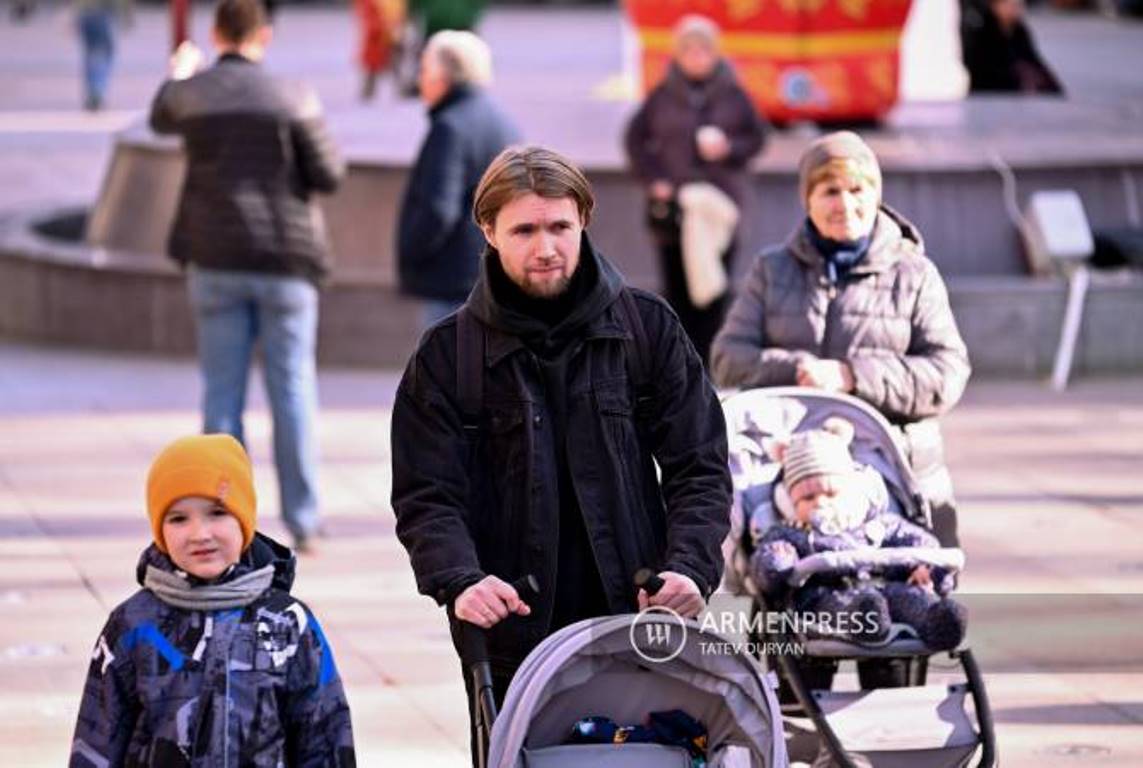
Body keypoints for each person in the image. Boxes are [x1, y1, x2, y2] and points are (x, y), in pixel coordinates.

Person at [390, 146, 732, 764]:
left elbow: (699, 465)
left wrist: (691, 566)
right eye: (524, 230)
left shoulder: (646, 328)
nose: (545, 247)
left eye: (559, 228)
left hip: (638, 620)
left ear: (584, 223)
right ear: (489, 231)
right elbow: (427, 496)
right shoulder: (447, 357)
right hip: (511, 636)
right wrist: (459, 581)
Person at [710, 131, 971, 549]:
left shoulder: (914, 274)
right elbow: (728, 358)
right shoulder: (772, 270)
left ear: (875, 194)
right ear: (807, 199)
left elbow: (947, 372)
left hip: (894, 472)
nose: (845, 204)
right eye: (830, 191)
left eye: (857, 189)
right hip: (796, 478)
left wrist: (852, 376)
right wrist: (796, 370)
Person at [149, 0, 345, 553]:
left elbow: (161, 116)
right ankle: (304, 518)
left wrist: (180, 71)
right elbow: (328, 173)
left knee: (221, 396)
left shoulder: (196, 91)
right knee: (293, 390)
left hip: (214, 257)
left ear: (216, 33)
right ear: (265, 35)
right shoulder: (292, 94)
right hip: (286, 260)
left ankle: (220, 516)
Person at [69, 434, 355, 767]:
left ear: (244, 521)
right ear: (159, 529)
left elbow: (325, 738)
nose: (200, 534)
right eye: (178, 518)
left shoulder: (288, 623)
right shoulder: (132, 626)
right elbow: (97, 742)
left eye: (217, 513)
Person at [751, 417, 967, 652]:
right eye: (807, 498)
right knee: (837, 607)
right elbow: (769, 563)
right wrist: (778, 559)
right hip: (829, 594)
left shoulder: (875, 523)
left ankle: (938, 619)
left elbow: (918, 540)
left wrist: (925, 566)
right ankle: (864, 618)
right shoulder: (793, 532)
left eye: (831, 493)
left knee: (912, 597)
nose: (820, 502)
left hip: (886, 586)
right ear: (789, 501)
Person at [624, 14, 768, 364]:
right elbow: (635, 140)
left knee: (714, 288)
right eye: (689, 49)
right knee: (677, 288)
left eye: (704, 49)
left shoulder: (734, 94)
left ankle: (710, 362)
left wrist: (728, 148)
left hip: (720, 206)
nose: (697, 56)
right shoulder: (662, 95)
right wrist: (655, 178)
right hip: (675, 206)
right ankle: (677, 363)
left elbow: (758, 138)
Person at [396, 30, 520, 328]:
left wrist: (410, 253)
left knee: (444, 368)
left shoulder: (450, 128)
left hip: (453, 279)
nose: (420, 80)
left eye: (424, 69)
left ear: (443, 76)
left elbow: (438, 209)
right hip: (493, 272)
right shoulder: (501, 121)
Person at [961, 0, 1064, 94]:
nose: (1015, 10)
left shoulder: (1019, 31)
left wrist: (1054, 88)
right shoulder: (982, 33)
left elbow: (1033, 60)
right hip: (988, 92)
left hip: (1014, 92)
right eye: (1010, 5)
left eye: (1018, 6)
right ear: (996, 7)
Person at [73, 0, 132, 111]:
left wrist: (75, 14)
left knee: (91, 54)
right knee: (103, 53)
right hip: (103, 14)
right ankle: (97, 91)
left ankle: (93, 91)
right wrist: (126, 16)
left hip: (85, 14)